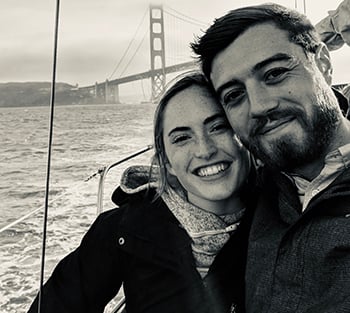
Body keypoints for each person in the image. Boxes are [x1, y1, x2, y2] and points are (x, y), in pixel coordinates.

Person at [27, 72, 256, 313]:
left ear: (246, 135)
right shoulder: (123, 230)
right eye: (181, 138)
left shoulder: (288, 218)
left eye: (218, 126)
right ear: (165, 163)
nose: (205, 150)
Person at [191, 3, 350, 313]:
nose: (260, 106)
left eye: (275, 73)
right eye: (234, 95)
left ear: (323, 64)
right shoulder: (251, 191)